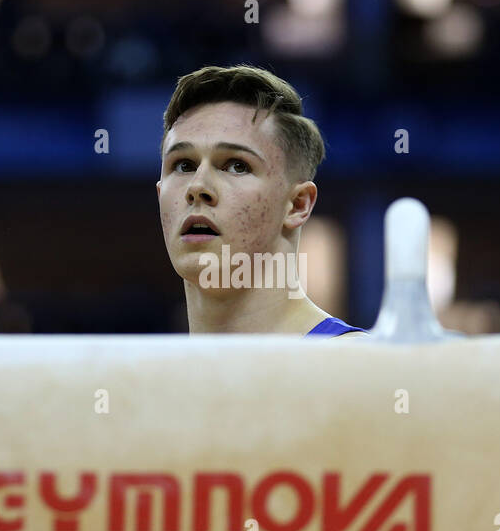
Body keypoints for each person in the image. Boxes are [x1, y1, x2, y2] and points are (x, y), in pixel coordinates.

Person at [157, 64, 366, 338]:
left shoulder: (351, 366)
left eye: (236, 166)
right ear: (160, 194)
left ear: (298, 204)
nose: (197, 187)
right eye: (184, 165)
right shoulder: (146, 376)